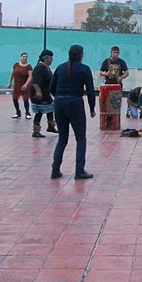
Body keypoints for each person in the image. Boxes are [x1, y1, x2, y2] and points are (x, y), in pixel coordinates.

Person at [49, 44, 95, 180]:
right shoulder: (84, 69)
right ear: (80, 55)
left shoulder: (60, 67)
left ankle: (55, 169)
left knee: (62, 138)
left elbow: (52, 87)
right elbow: (91, 91)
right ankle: (79, 170)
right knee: (80, 138)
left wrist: (59, 97)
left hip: (59, 103)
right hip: (75, 103)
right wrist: (92, 108)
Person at [30, 49, 58, 138]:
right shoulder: (39, 67)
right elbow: (36, 82)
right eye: (51, 58)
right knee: (39, 111)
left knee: (50, 108)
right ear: (46, 58)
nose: (52, 60)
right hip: (39, 94)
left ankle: (51, 126)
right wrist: (38, 92)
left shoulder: (46, 67)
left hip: (45, 92)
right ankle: (36, 131)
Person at [8, 52, 33, 119]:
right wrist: (10, 82)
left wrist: (26, 84)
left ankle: (27, 113)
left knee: (25, 100)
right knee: (15, 99)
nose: (24, 58)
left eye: (26, 57)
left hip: (24, 87)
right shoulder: (16, 65)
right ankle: (18, 112)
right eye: (23, 56)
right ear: (20, 57)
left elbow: (30, 77)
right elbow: (12, 74)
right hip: (16, 86)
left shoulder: (28, 66)